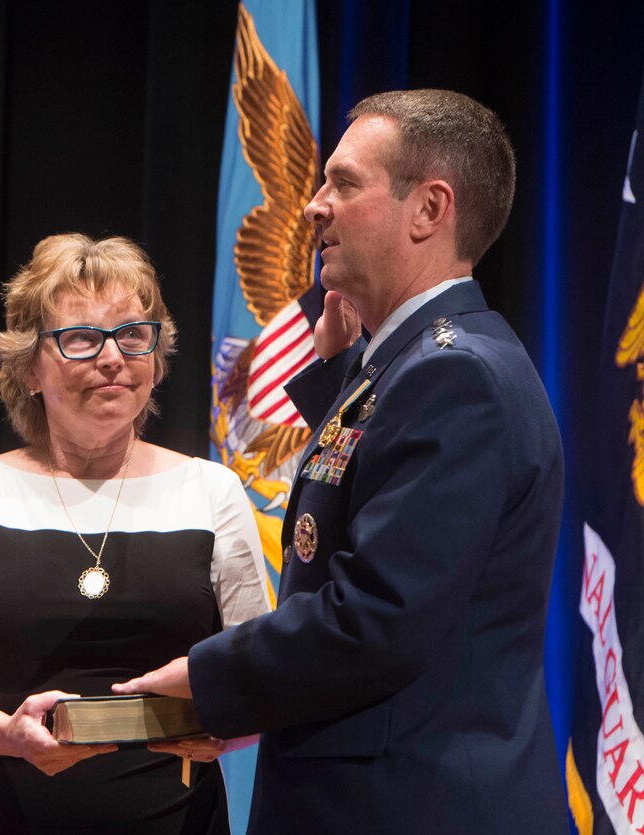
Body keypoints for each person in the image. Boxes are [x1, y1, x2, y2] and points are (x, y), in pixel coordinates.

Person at [115, 90, 566, 833]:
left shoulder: (456, 378)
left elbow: (377, 617)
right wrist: (341, 375)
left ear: (429, 209)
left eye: (343, 182)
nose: (312, 206)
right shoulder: (416, 366)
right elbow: (360, 513)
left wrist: (206, 678)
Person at [0, 233, 268, 834]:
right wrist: (9, 735)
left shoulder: (214, 492)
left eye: (132, 334)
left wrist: (228, 725)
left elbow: (257, 672)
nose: (112, 358)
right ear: (28, 367)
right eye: (81, 338)